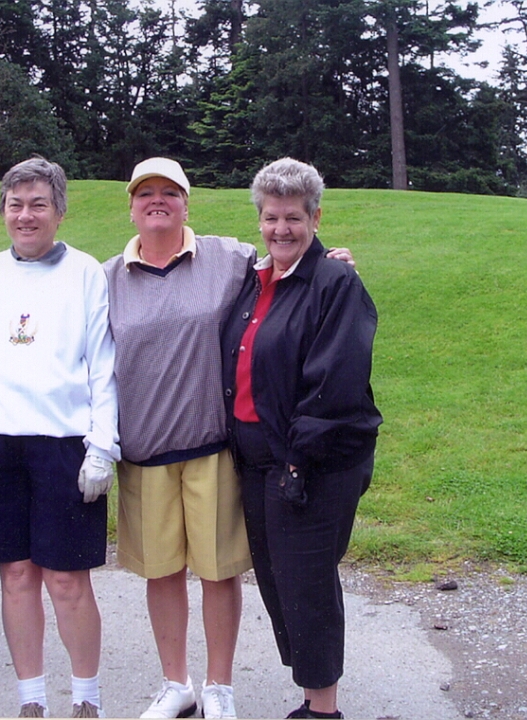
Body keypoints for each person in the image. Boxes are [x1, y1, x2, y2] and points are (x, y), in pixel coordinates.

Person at [103, 157, 352, 719]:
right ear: (132, 206)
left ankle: (219, 686)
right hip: (143, 450)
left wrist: (333, 261)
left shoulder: (229, 258)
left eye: (171, 192)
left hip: (215, 446)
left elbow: (289, 258)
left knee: (219, 570)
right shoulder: (107, 276)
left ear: (188, 202)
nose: (158, 201)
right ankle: (177, 686)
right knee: (161, 572)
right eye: (146, 194)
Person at [220, 158, 382, 720]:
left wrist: (297, 461)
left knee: (305, 581)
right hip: (258, 460)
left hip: (311, 464)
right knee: (274, 576)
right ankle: (311, 693)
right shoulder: (255, 280)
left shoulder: (335, 282)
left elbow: (334, 383)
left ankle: (323, 708)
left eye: (293, 217)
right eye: (271, 217)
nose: (281, 229)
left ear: (315, 217)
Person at [0, 157, 120, 719]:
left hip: (63, 443)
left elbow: (103, 366)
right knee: (16, 574)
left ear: (59, 211)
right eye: (15, 204)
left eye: (38, 204)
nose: (25, 215)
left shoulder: (85, 274)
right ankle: (31, 700)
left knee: (66, 578)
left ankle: (86, 699)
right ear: (3, 211)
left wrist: (103, 446)